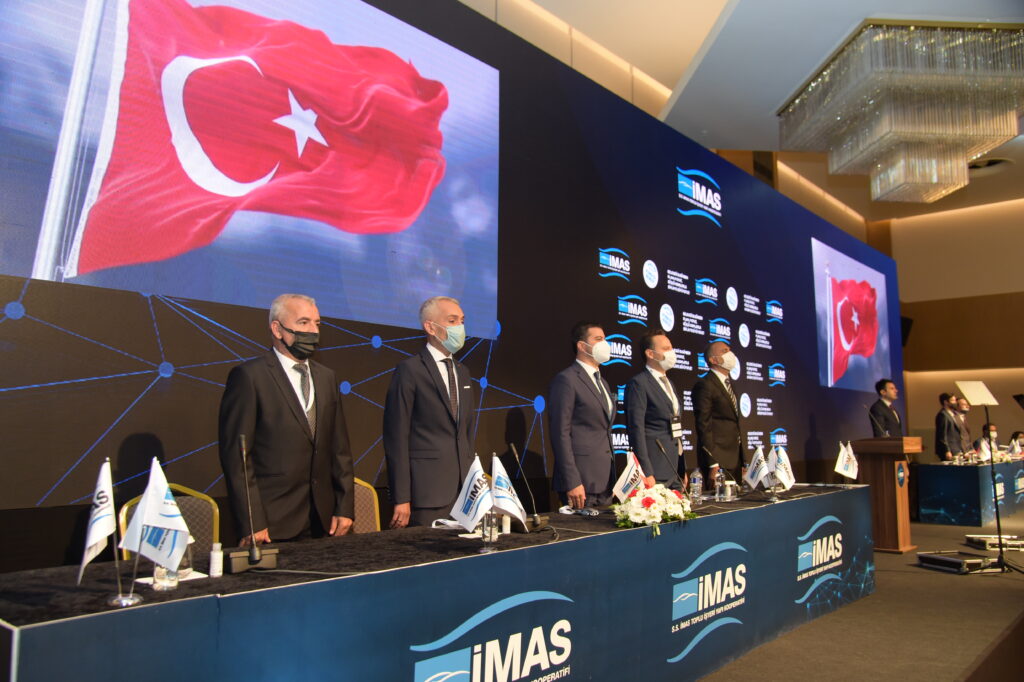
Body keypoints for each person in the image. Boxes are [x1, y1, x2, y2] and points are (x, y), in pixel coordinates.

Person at [218, 294, 354, 545]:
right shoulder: (249, 377)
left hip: (324, 522)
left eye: (317, 323)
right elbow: (238, 458)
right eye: (303, 322)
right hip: (272, 525)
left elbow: (340, 450)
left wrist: (344, 507)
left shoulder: (327, 378)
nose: (313, 331)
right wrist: (252, 521)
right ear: (277, 329)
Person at [384, 296, 476, 528]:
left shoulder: (463, 372)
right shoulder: (410, 370)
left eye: (462, 321)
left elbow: (466, 433)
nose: (460, 327)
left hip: (464, 494)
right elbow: (397, 437)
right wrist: (401, 497)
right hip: (427, 494)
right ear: (430, 327)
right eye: (452, 321)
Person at [549, 321, 616, 508]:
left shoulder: (603, 382)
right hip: (580, 483)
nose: (605, 344)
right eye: (598, 339)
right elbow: (560, 433)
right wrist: (572, 480)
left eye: (605, 339)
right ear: (581, 345)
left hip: (605, 481)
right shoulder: (567, 379)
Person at [625, 329, 686, 490]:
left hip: (674, 469)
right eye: (666, 349)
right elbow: (636, 429)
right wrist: (646, 471)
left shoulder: (670, 383)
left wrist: (681, 466)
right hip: (655, 469)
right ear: (650, 354)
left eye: (671, 348)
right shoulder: (639, 383)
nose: (671, 352)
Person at [692, 340, 743, 485]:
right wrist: (712, 463)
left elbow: (735, 424)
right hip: (718, 461)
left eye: (729, 350)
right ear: (713, 359)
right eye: (724, 351)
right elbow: (703, 425)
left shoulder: (730, 384)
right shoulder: (704, 385)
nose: (730, 354)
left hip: (735, 459)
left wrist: (743, 459)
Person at [934, 392, 963, 461]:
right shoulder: (943, 415)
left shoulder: (953, 414)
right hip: (949, 450)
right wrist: (947, 450)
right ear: (946, 402)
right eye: (953, 400)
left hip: (956, 448)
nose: (955, 402)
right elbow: (942, 434)